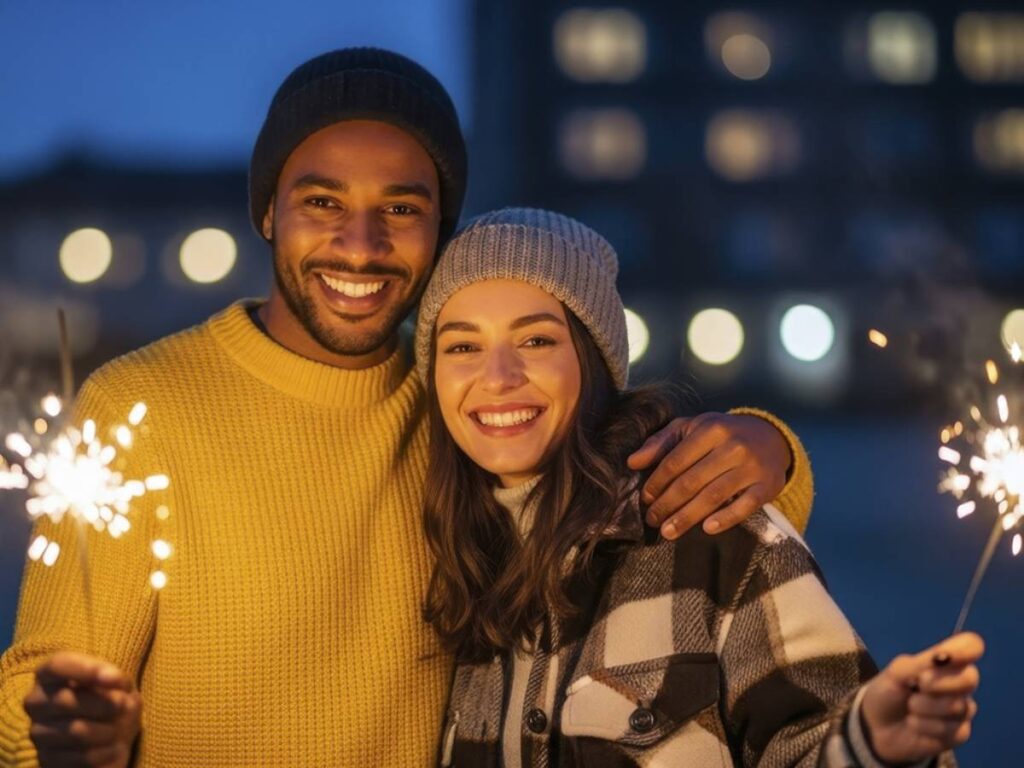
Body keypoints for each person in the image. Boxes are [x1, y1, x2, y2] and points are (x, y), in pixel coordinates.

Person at [0, 50, 815, 767]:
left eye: (401, 208)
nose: (360, 245)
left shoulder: (463, 407)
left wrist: (770, 447)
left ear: (440, 231)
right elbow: (38, 679)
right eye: (321, 202)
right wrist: (63, 738)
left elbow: (628, 477)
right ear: (266, 213)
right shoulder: (137, 405)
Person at [415, 208, 983, 767]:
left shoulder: (708, 529)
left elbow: (813, 740)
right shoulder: (456, 562)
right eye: (462, 346)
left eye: (537, 341)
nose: (498, 377)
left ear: (593, 360)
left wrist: (870, 748)